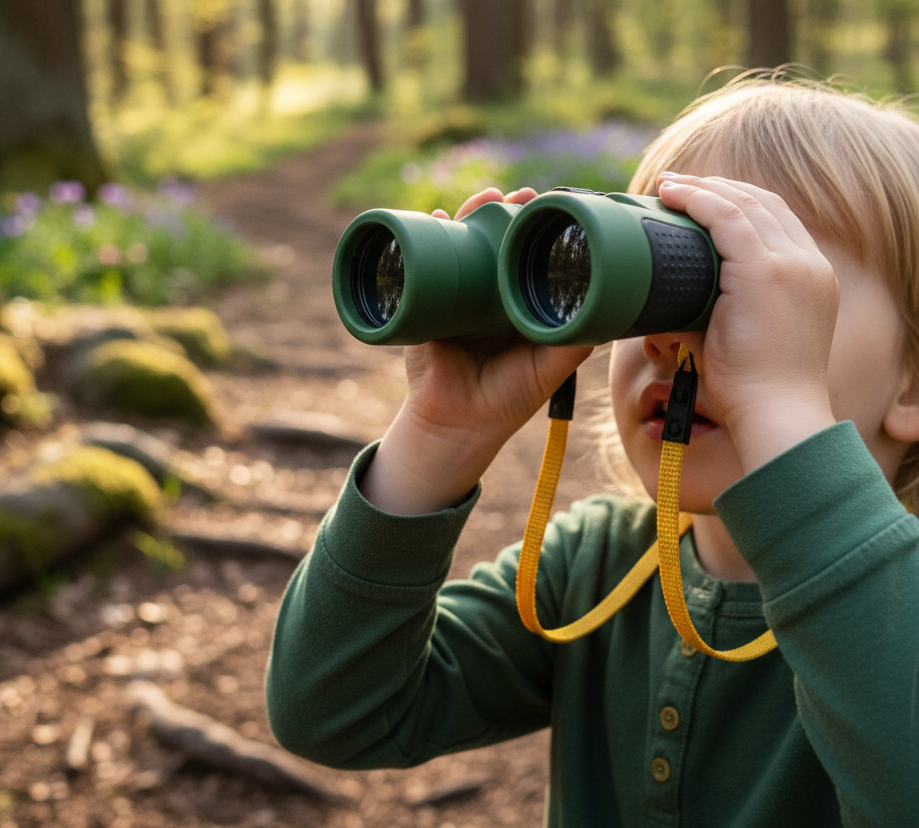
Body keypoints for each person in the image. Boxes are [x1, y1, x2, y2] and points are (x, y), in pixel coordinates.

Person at [266, 77, 919, 826]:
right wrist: (440, 434)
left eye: (769, 292)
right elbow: (334, 711)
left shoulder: (900, 619)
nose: (672, 336)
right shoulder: (593, 568)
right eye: (668, 271)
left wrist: (780, 403)